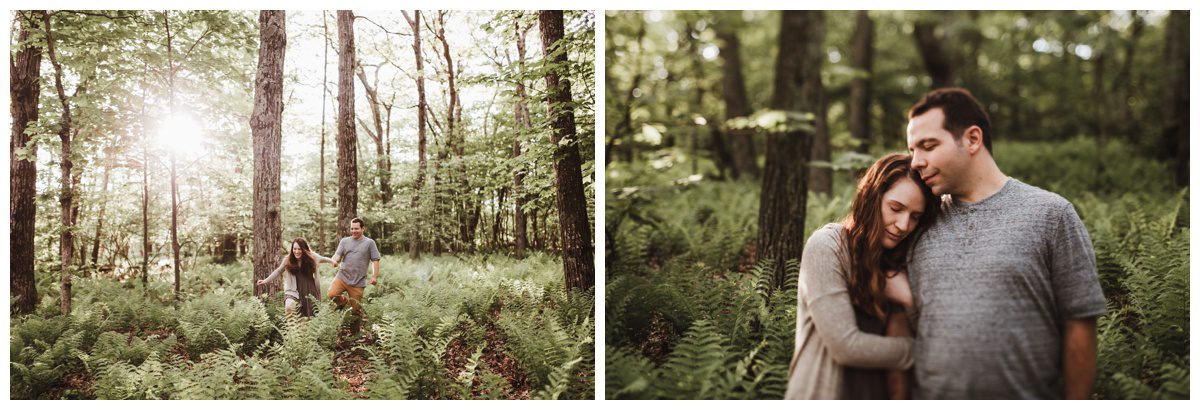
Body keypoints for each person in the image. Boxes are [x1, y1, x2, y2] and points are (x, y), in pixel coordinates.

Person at [902, 87, 1106, 399]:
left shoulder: (1051, 213)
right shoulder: (916, 222)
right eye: (912, 150)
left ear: (972, 139)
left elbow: (1080, 323)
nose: (916, 161)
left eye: (927, 146)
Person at [785, 153, 939, 399]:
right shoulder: (828, 246)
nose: (902, 225)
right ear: (871, 196)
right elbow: (846, 347)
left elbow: (926, 327)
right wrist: (923, 351)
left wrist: (909, 301)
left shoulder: (902, 259)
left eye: (915, 217)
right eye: (895, 208)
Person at [256, 238, 334, 317]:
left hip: (309, 291)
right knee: (289, 307)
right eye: (295, 249)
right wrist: (265, 281)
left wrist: (333, 261)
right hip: (293, 290)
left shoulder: (312, 257)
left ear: (304, 249)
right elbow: (278, 271)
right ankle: (291, 328)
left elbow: (324, 259)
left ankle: (298, 328)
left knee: (309, 318)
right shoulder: (288, 259)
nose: (296, 251)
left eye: (299, 249)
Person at [328, 217, 381, 330]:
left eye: (356, 229)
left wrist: (374, 276)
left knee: (355, 310)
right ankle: (344, 302)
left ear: (363, 229)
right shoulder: (344, 241)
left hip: (358, 281)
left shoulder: (369, 243)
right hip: (342, 276)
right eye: (352, 229)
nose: (353, 231)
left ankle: (355, 334)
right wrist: (334, 260)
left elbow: (375, 260)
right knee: (332, 294)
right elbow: (337, 255)